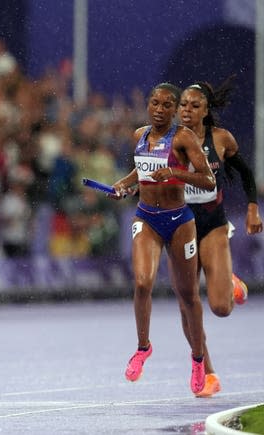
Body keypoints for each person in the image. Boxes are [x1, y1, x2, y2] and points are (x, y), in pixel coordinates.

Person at [111, 83, 216, 395]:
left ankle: (198, 360)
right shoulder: (139, 135)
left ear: (174, 110)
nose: (159, 109)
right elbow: (141, 171)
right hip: (147, 218)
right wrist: (125, 185)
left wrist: (175, 174)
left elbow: (208, 178)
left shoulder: (183, 137)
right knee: (142, 283)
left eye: (167, 105)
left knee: (188, 296)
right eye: (154, 103)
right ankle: (143, 348)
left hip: (179, 222)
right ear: (148, 105)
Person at [177, 78, 263, 397]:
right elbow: (146, 176)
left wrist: (253, 209)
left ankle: (229, 283)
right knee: (188, 302)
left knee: (221, 308)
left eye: (194, 106)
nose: (187, 111)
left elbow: (246, 173)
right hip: (179, 227)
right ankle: (206, 371)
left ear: (206, 111)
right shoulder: (165, 141)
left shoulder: (221, 139)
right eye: (183, 105)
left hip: (212, 224)